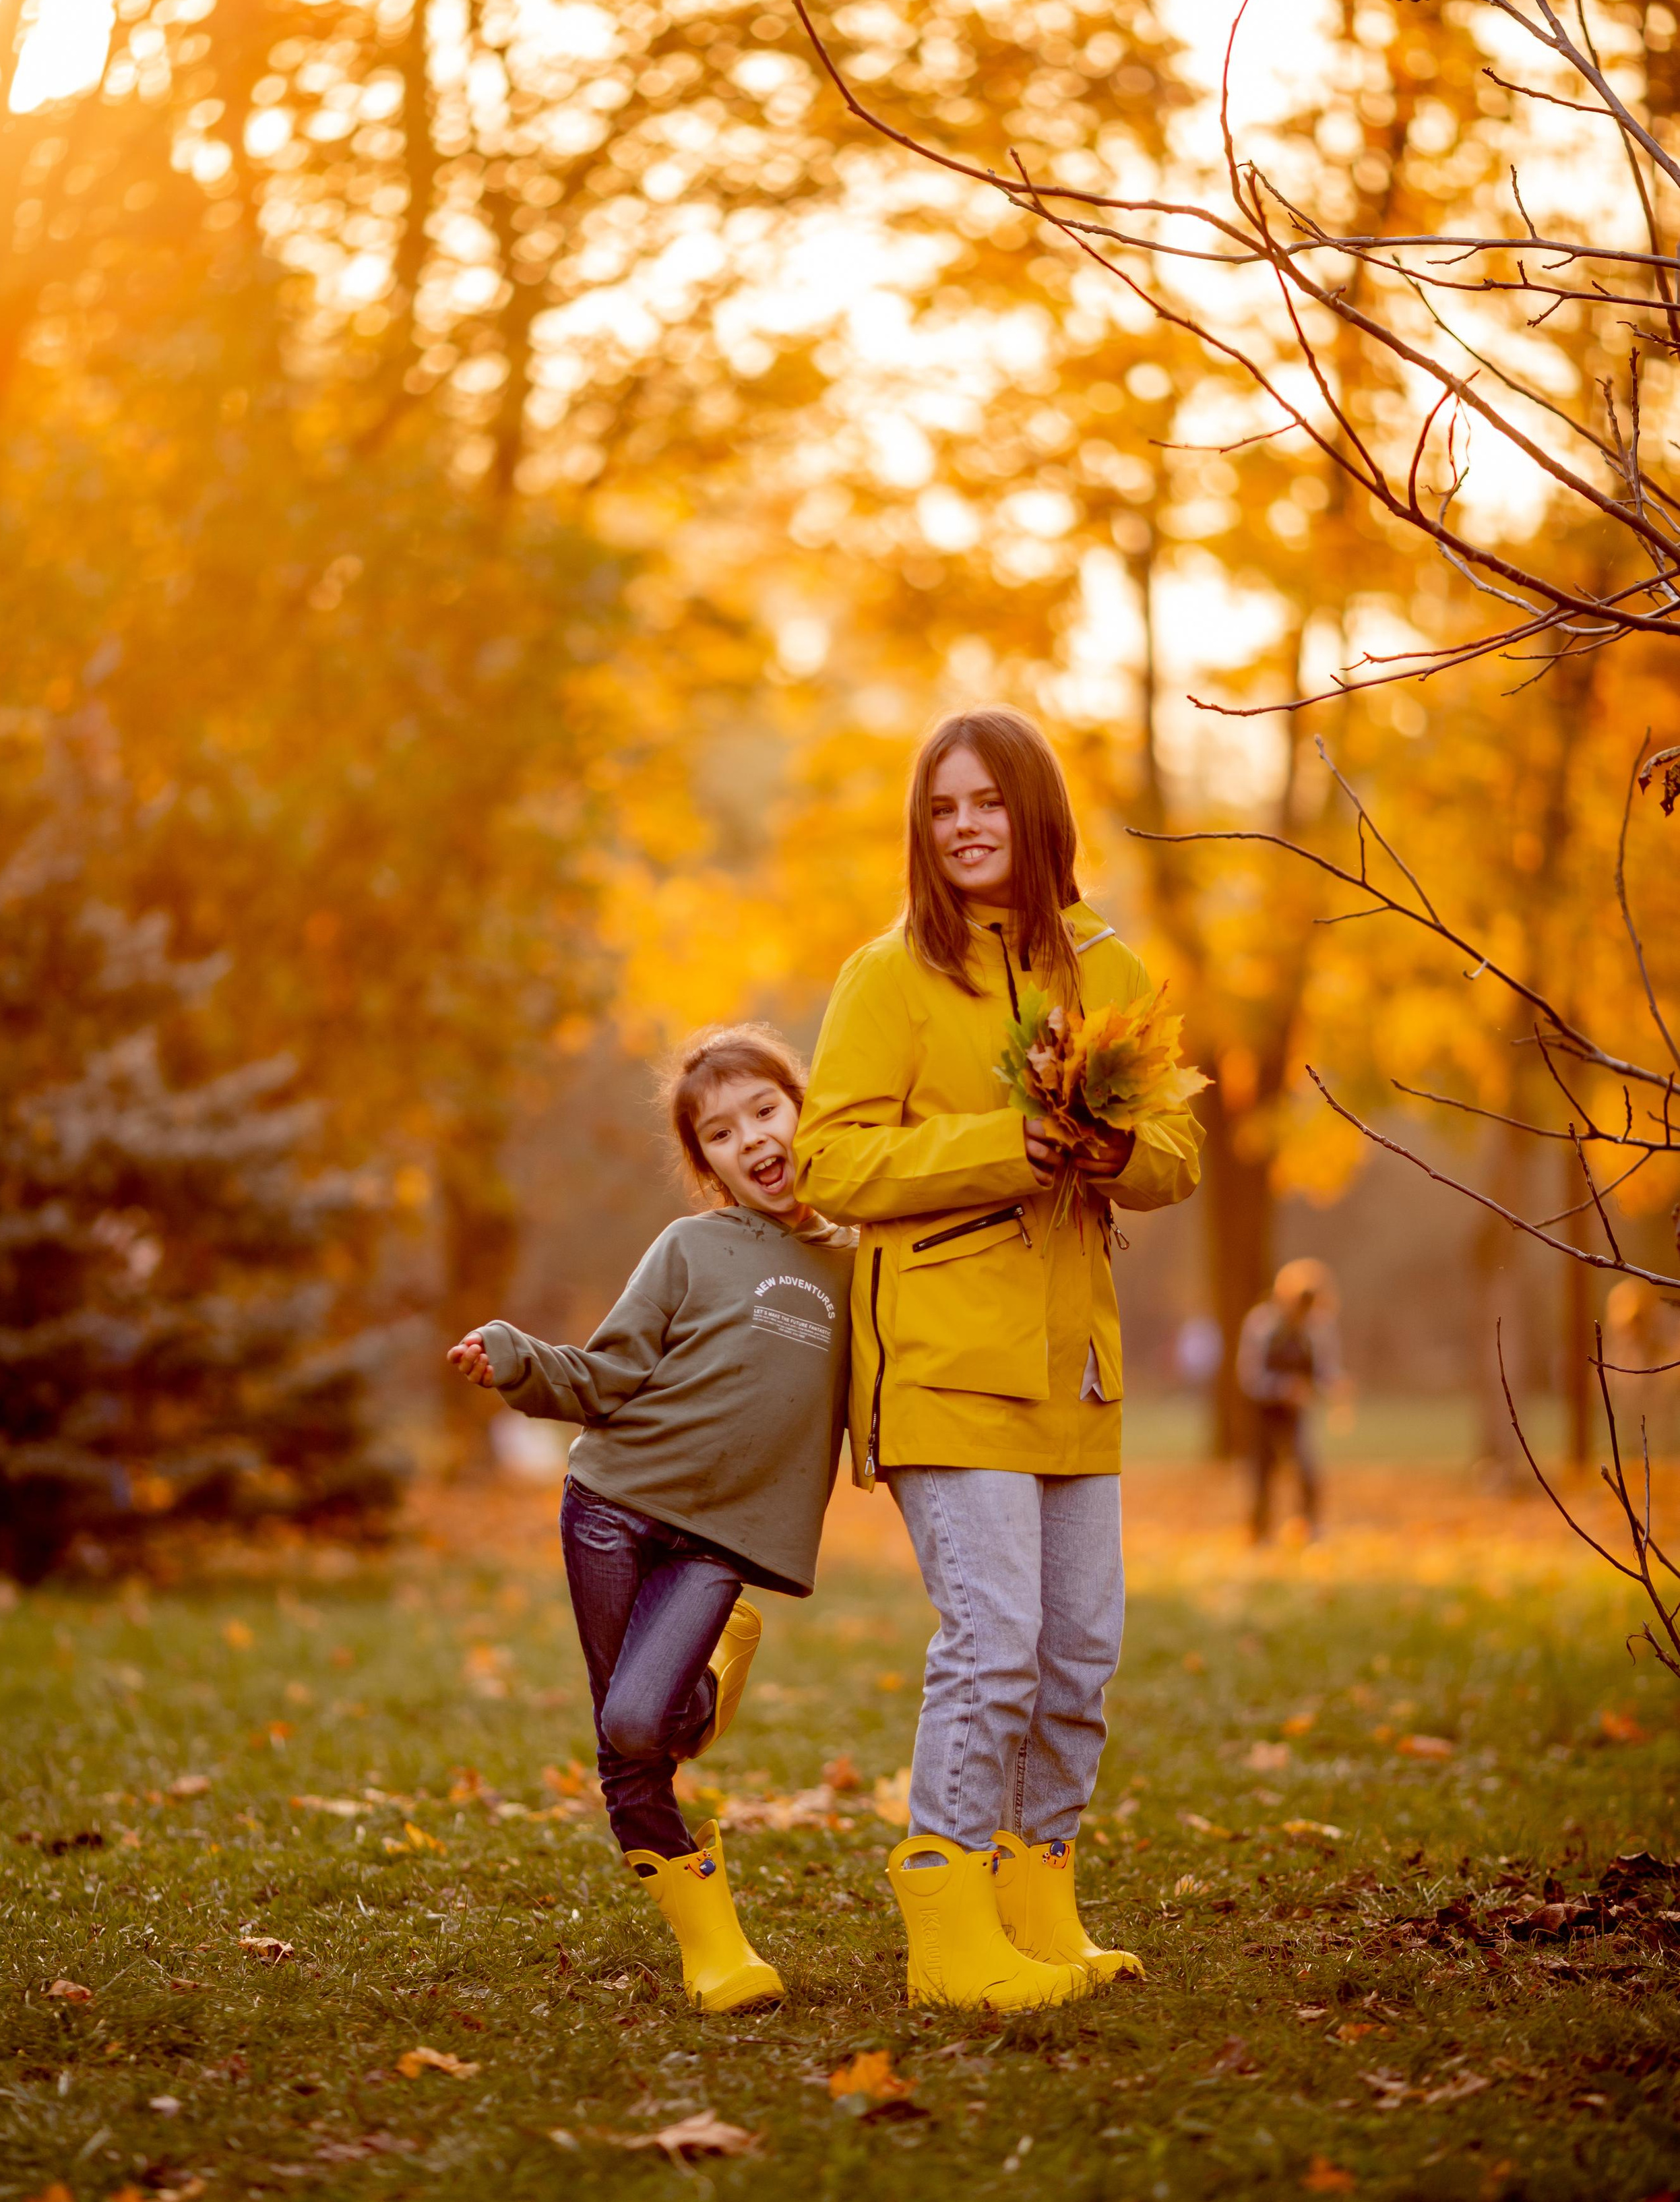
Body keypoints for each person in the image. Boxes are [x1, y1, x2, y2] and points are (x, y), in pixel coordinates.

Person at [794, 708, 1203, 2011]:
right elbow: (827, 1161)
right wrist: (995, 1147)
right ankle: (948, 1913)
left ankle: (1037, 1901)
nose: (965, 827)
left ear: (1037, 815)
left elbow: (1181, 1160)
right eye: (940, 807)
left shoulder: (1110, 963)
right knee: (997, 1640)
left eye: (987, 803)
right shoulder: (887, 974)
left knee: (1081, 1649)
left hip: (1076, 1366)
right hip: (945, 1359)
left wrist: (1110, 1153)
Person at [447, 1024, 855, 2014]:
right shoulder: (690, 1248)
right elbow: (608, 1372)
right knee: (625, 1750)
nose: (751, 1138)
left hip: (724, 1541)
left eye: (764, 1110)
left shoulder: (866, 1260)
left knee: (642, 1716)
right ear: (705, 1162)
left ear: (804, 1110)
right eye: (719, 1133)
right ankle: (715, 1953)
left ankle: (705, 1674)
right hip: (612, 1508)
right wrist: (515, 1353)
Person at [1235, 1258, 1343, 1542]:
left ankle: (1311, 1526)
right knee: (1263, 1471)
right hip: (1265, 1409)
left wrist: (1333, 1386)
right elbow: (1249, 1376)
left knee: (1307, 1468)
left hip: (1298, 1411)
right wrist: (1283, 1388)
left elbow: (1324, 1369)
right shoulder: (1261, 1325)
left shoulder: (1317, 1327)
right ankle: (1259, 1532)